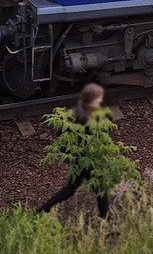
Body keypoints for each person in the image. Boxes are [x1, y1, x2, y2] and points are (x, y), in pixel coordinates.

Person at [38, 83, 116, 216]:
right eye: (99, 98)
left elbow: (61, 134)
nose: (101, 100)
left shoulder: (74, 113)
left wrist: (67, 154)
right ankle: (106, 219)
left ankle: (42, 211)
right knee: (100, 189)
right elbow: (106, 138)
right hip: (90, 160)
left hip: (77, 159)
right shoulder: (95, 117)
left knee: (70, 190)